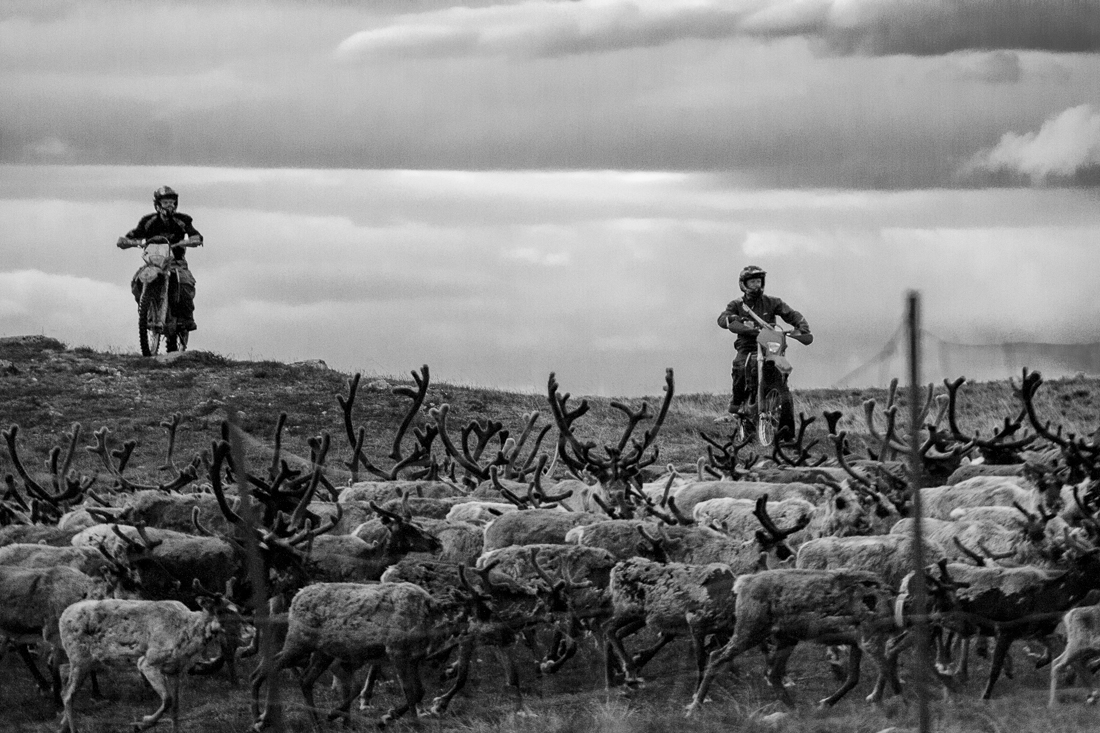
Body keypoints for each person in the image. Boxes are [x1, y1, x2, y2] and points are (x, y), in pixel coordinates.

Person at [716, 265, 812, 422]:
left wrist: (802, 327)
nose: (756, 285)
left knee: (781, 370)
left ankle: (785, 426)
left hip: (770, 342)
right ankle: (736, 404)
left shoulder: (772, 302)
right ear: (743, 284)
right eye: (752, 282)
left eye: (758, 282)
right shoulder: (737, 304)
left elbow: (791, 314)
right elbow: (723, 318)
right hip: (748, 344)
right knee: (740, 366)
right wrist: (736, 320)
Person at [116, 186, 203, 333]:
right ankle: (147, 310)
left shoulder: (183, 220)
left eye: (172, 202)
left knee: (185, 283)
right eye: (165, 202)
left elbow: (195, 235)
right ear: (158, 204)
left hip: (176, 262)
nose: (169, 205)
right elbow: (131, 235)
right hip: (153, 262)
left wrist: (190, 241)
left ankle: (186, 318)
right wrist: (128, 242)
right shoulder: (148, 221)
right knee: (137, 281)